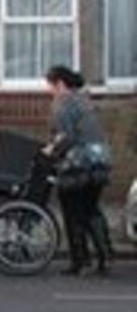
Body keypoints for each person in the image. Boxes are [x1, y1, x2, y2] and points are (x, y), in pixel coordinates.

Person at [43, 65, 113, 277]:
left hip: (79, 166)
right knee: (91, 209)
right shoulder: (84, 102)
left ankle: (80, 261)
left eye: (51, 86)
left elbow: (67, 137)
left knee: (72, 211)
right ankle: (104, 255)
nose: (49, 91)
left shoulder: (63, 105)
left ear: (60, 84)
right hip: (100, 161)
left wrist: (51, 151)